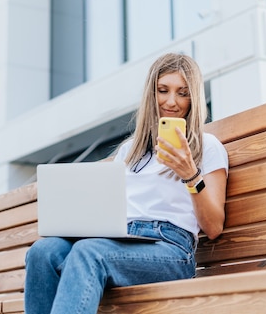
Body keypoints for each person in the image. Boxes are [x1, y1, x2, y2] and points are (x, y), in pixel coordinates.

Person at [24, 53, 229, 314]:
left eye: (182, 93)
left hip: (170, 247)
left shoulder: (206, 146)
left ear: (194, 99)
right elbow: (107, 209)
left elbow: (213, 226)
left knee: (88, 253)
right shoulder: (130, 150)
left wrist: (190, 175)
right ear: (150, 94)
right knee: (42, 252)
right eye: (163, 90)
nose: (171, 102)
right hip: (122, 238)